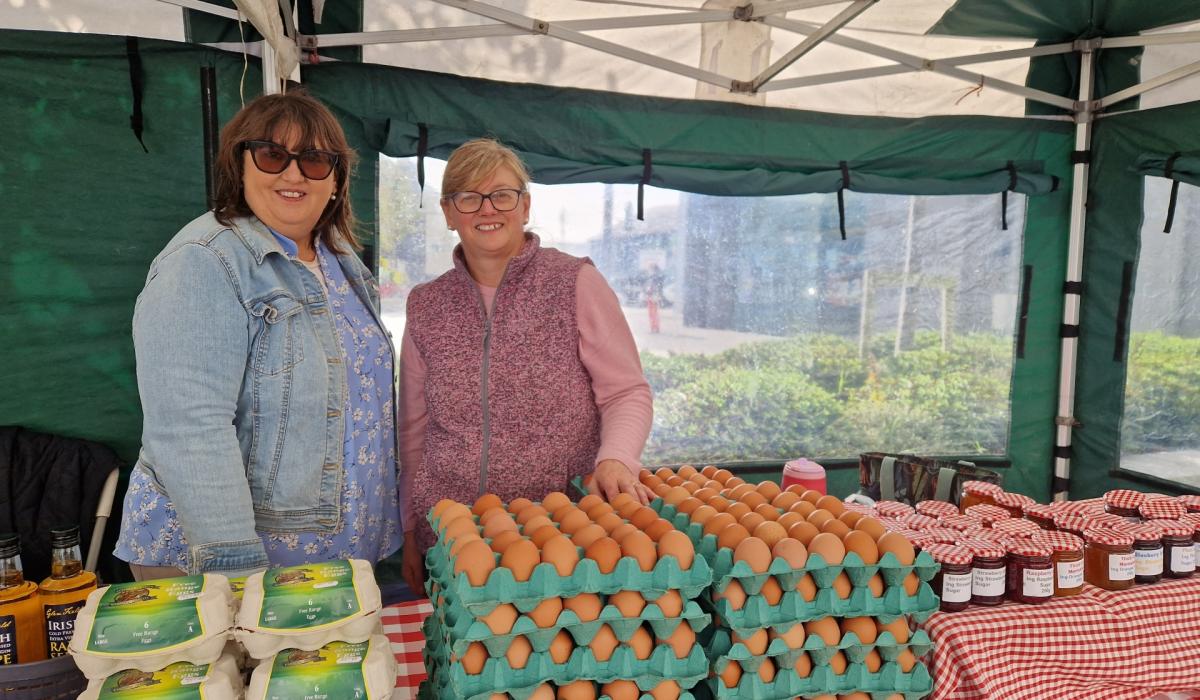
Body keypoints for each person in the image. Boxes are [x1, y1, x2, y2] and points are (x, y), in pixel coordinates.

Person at [113, 91, 400, 580]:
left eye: (313, 160)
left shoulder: (341, 260)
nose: (293, 174)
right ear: (239, 166)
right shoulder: (205, 261)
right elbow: (190, 428)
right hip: (229, 563)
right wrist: (235, 568)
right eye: (272, 155)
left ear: (335, 181)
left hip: (334, 556)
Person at [399, 138, 654, 591]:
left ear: (525, 205)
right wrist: (409, 529)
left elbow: (625, 392)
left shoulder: (574, 281)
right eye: (468, 197)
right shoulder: (426, 304)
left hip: (562, 536)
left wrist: (617, 459)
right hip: (452, 535)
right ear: (448, 212)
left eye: (502, 194)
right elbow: (414, 426)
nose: (487, 208)